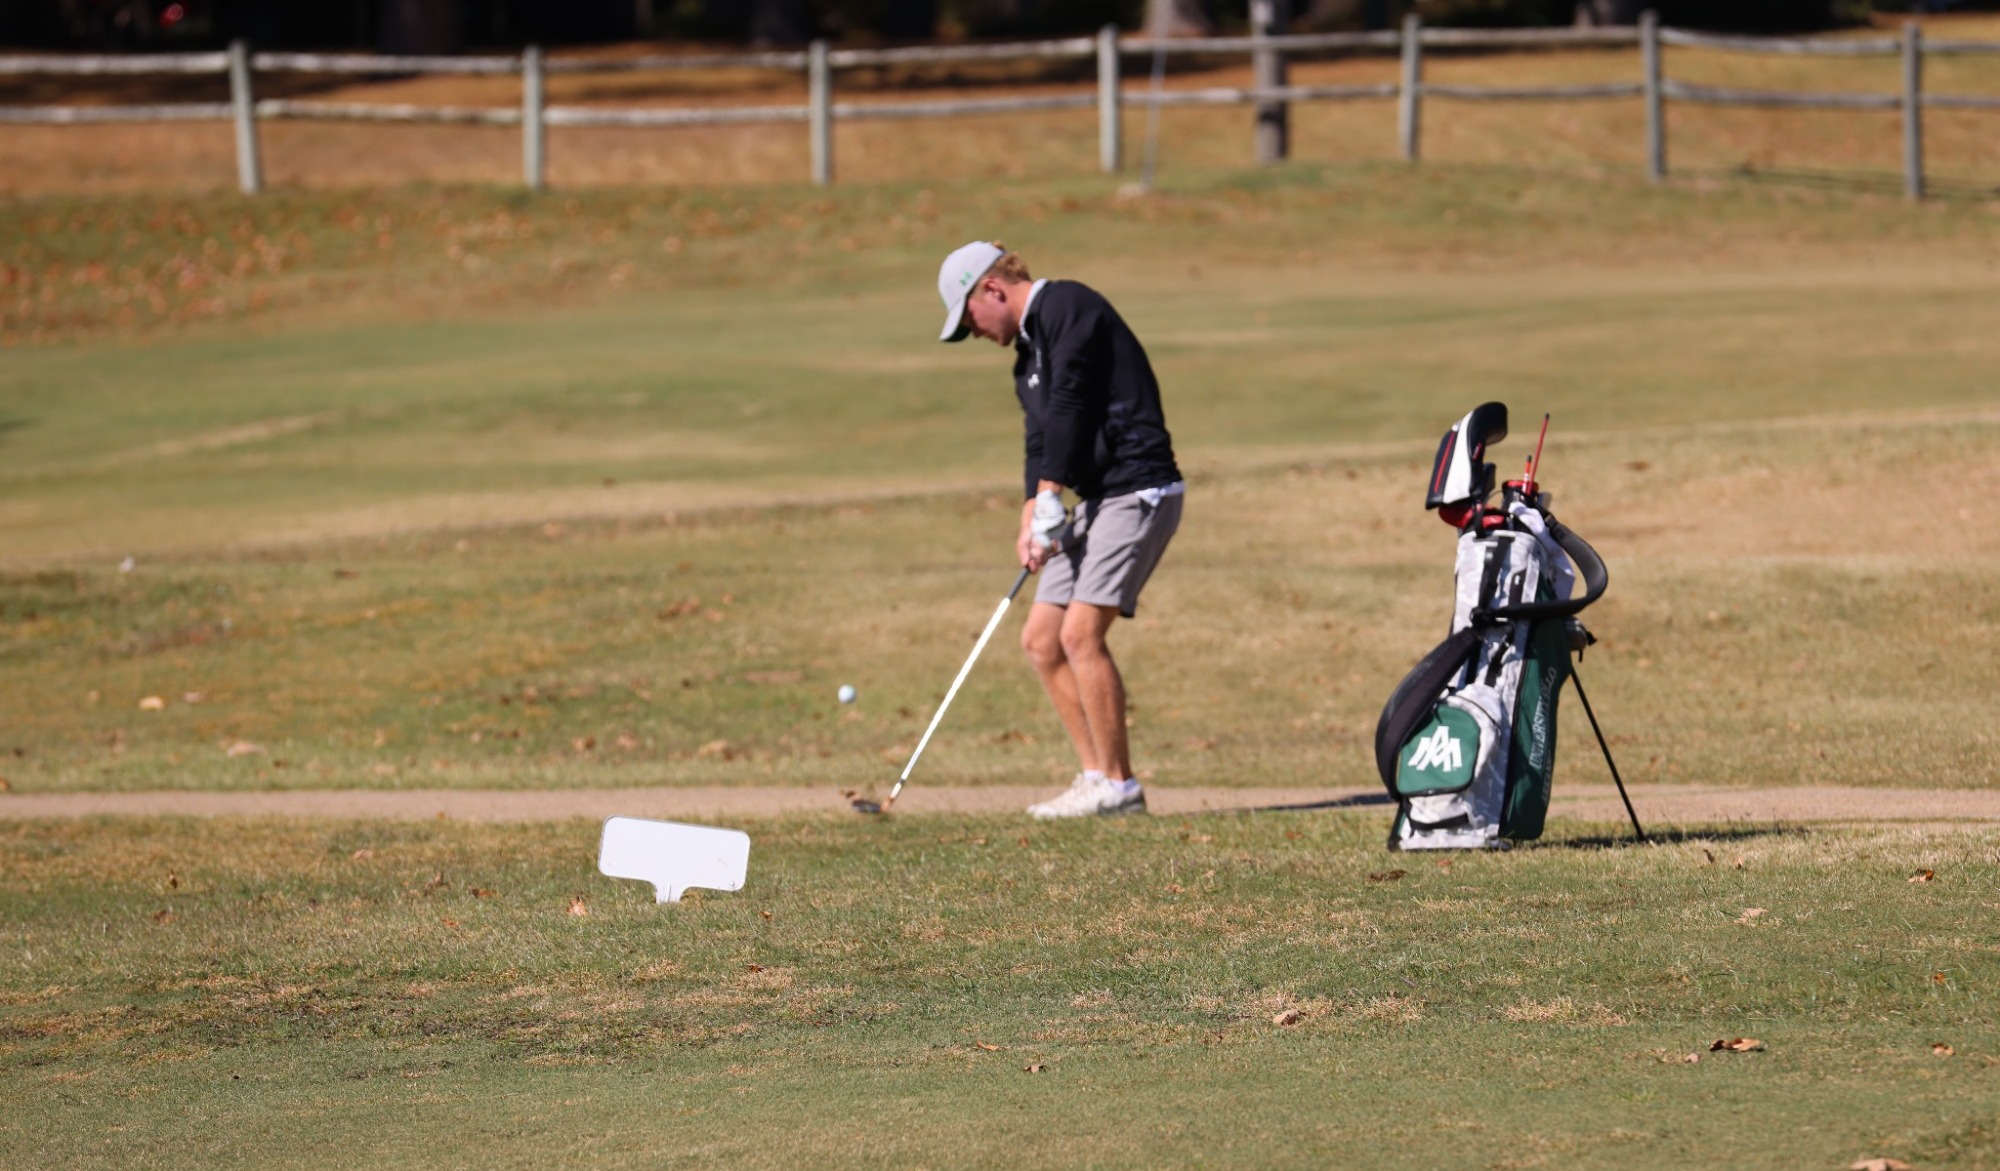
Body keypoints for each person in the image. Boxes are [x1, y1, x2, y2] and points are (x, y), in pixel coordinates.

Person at [934, 241, 1184, 819]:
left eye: (968, 316)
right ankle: (1094, 775)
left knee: (1079, 636)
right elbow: (1041, 438)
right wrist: (1031, 516)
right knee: (1042, 640)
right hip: (1094, 499)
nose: (972, 331)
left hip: (1139, 489)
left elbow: (1071, 400)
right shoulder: (1027, 358)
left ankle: (1121, 787)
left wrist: (1050, 496)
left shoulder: (1068, 307)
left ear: (991, 289)